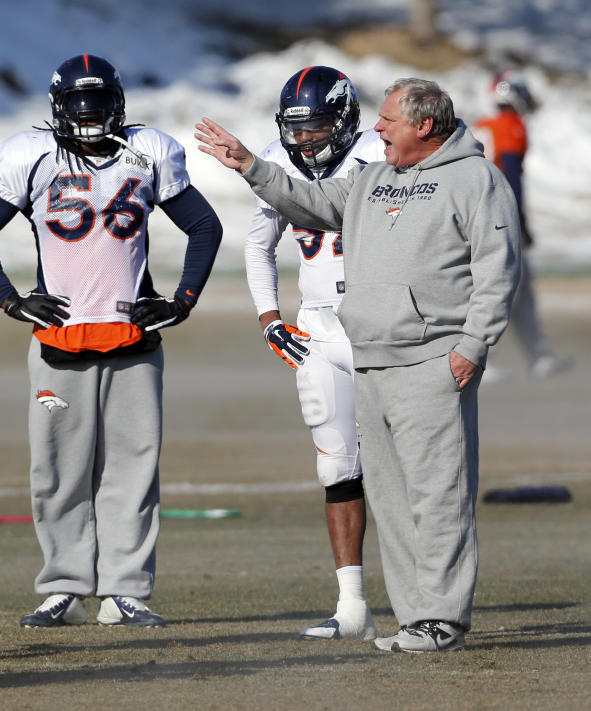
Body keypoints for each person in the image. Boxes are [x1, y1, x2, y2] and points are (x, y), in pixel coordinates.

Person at [196, 77, 521, 653]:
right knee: (392, 498)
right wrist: (250, 166)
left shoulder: (476, 179)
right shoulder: (373, 178)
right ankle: (415, 618)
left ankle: (443, 620)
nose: (377, 130)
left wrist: (473, 345)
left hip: (432, 358)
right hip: (370, 359)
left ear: (424, 126)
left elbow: (499, 267)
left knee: (438, 494)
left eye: (388, 121)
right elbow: (312, 204)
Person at [0, 53, 222, 628]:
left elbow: (205, 226)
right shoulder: (29, 155)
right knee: (57, 471)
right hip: (59, 339)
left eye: (98, 104)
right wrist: (10, 300)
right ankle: (64, 585)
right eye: (77, 106)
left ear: (118, 104)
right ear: (57, 107)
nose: (88, 116)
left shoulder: (148, 151)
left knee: (133, 469)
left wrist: (182, 300)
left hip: (133, 338)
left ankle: (125, 590)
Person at [244, 66, 385, 641]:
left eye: (317, 127)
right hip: (319, 331)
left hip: (381, 328)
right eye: (296, 130)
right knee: (336, 465)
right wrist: (268, 317)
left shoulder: (381, 154)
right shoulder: (281, 164)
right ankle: (352, 603)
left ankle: (426, 595)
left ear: (346, 117)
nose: (305, 142)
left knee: (405, 466)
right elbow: (258, 244)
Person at [473, 70, 571, 380]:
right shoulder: (510, 127)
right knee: (504, 290)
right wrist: (521, 225)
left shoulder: (482, 125)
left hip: (478, 213)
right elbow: (511, 179)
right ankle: (478, 356)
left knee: (521, 289)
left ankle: (539, 354)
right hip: (497, 217)